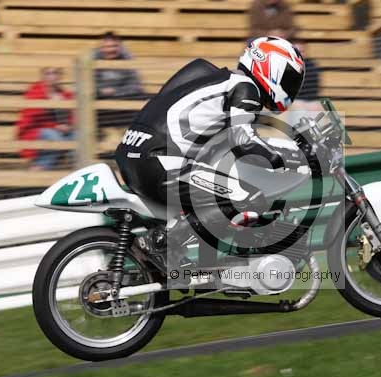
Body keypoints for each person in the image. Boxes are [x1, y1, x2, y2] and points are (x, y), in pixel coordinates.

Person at [115, 37, 312, 264]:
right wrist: (291, 157)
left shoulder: (219, 82)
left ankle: (194, 264)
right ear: (270, 67)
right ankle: (162, 242)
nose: (290, 86)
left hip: (138, 156)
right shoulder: (245, 88)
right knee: (247, 199)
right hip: (160, 162)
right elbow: (243, 142)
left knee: (221, 193)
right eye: (288, 78)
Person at [17, 67, 75, 170]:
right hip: (35, 131)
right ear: (43, 76)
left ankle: (40, 168)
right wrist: (49, 104)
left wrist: (68, 126)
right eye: (48, 74)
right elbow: (32, 116)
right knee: (54, 138)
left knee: (78, 136)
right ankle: (41, 167)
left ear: (60, 76)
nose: (52, 77)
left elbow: (72, 115)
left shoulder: (64, 94)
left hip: (61, 132)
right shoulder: (35, 91)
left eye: (55, 73)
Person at [93, 32, 144, 129]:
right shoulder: (93, 59)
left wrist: (115, 91)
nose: (111, 50)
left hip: (123, 98)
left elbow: (135, 85)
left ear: (120, 47)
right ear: (101, 48)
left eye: (114, 46)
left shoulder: (127, 58)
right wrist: (100, 91)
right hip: (101, 100)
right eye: (107, 47)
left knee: (145, 98)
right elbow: (87, 84)